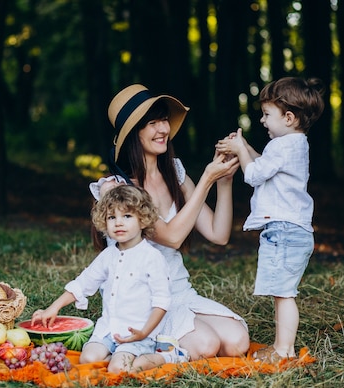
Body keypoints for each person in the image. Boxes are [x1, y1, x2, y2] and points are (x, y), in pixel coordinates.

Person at [90, 84, 250, 364]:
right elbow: (172, 237)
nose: (163, 128)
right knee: (207, 344)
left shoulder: (174, 172)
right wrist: (207, 180)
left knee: (238, 341)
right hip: (142, 303)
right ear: (133, 133)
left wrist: (223, 183)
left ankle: (163, 347)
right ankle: (150, 353)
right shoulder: (116, 189)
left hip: (178, 292)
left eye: (163, 120)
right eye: (152, 123)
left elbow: (218, 234)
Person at [215, 77, 325, 363]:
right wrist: (245, 147)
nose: (263, 121)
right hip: (292, 228)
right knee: (282, 292)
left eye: (266, 114)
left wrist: (240, 150)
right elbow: (263, 164)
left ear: (288, 118)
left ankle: (283, 350)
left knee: (284, 294)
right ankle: (281, 346)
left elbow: (253, 175)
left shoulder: (283, 146)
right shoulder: (293, 144)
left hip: (284, 230)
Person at [31, 185, 187, 373]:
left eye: (127, 216)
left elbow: (161, 302)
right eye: (112, 217)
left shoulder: (152, 258)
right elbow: (83, 283)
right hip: (108, 329)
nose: (118, 223)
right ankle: (116, 356)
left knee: (121, 369)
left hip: (138, 333)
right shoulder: (108, 255)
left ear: (143, 219)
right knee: (87, 358)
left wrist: (144, 333)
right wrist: (53, 307)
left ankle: (168, 356)